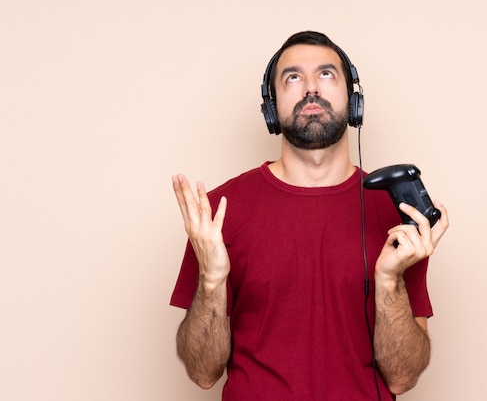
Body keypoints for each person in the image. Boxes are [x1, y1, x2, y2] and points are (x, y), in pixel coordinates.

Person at [169, 30, 449, 400]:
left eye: (327, 74)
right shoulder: (217, 213)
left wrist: (388, 280)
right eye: (293, 77)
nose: (311, 89)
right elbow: (203, 373)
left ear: (354, 100)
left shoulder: (396, 213)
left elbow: (402, 378)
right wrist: (211, 281)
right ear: (271, 107)